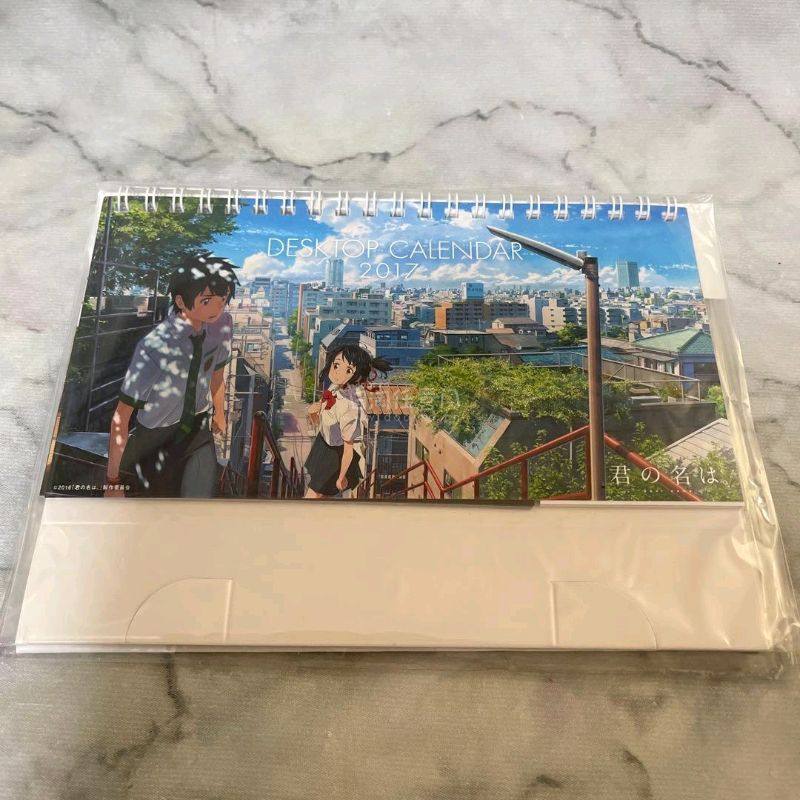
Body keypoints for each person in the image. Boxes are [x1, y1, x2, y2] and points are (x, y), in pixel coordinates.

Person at [104, 252, 238, 498]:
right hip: (156, 439)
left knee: (199, 502)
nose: (217, 308)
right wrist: (112, 480)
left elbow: (217, 373)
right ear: (180, 301)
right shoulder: (154, 347)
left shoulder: (222, 324)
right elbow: (122, 415)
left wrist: (219, 412)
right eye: (207, 300)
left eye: (223, 299)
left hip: (198, 429)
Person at [304, 344, 391, 498]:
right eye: (336, 365)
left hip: (335, 455)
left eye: (348, 370)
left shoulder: (349, 407)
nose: (338, 372)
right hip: (322, 444)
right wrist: (312, 413)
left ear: (357, 376)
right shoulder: (334, 388)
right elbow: (319, 423)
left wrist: (341, 476)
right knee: (320, 495)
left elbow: (348, 448)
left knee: (312, 495)